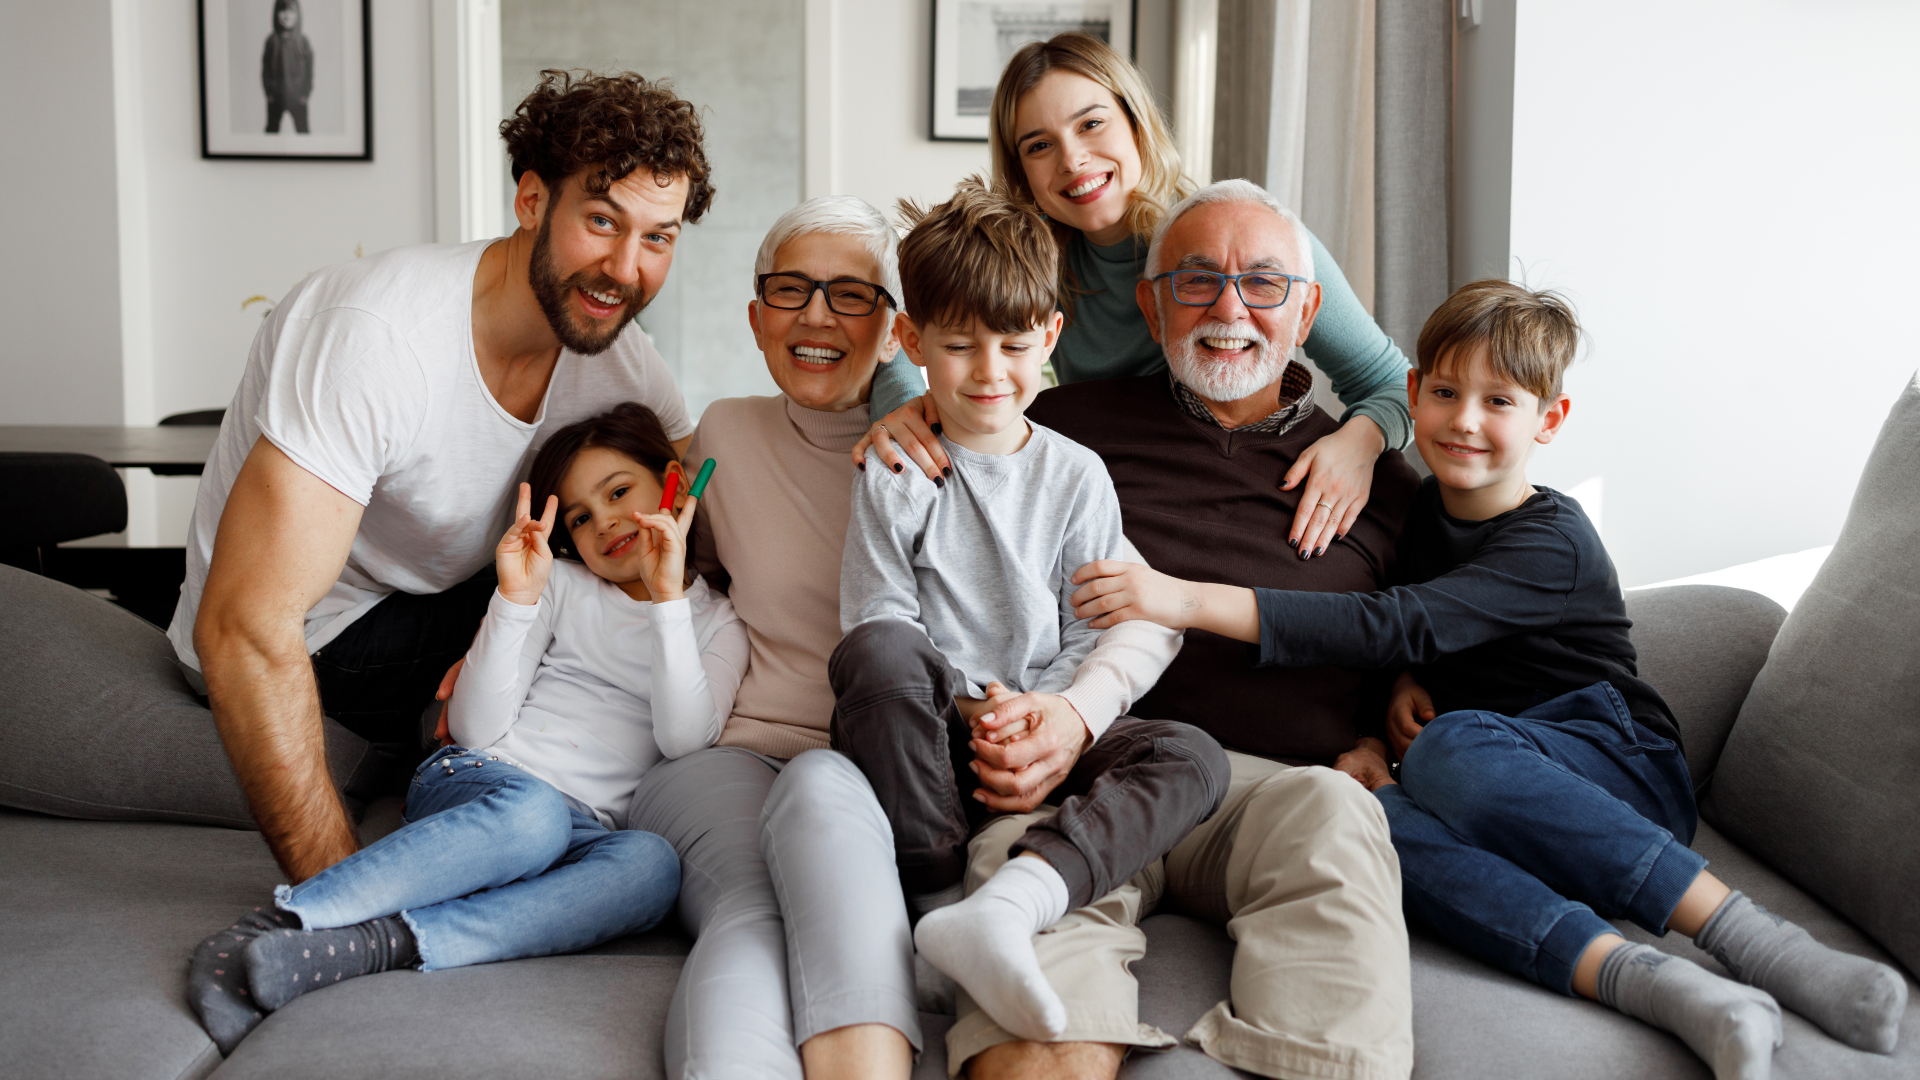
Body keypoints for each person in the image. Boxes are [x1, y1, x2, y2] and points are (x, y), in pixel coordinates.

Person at [1078, 279, 1910, 1080]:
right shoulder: (1415, 511)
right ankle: (1661, 987)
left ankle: (1764, 947)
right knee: (1368, 820)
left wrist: (1184, 599)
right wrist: (1391, 699)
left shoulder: (1553, 540)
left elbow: (1399, 621)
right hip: (1483, 796)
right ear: (1412, 393)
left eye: (1500, 402)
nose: (1465, 421)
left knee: (1449, 745)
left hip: (1616, 770)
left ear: (1551, 420)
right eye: (1444, 393)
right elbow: (1398, 624)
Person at [170, 70, 713, 885]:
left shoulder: (624, 367)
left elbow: (708, 507)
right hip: (322, 632)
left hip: (439, 607)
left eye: (658, 239)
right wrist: (342, 892)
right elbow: (245, 630)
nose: (624, 268)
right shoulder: (378, 335)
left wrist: (902, 416)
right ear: (531, 200)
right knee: (563, 594)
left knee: (640, 578)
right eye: (601, 221)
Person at [932, 179, 1421, 1080]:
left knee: (1340, 815)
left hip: (1278, 792)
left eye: (1264, 283)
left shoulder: (1382, 482)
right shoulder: (1052, 428)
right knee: (1025, 913)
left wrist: (1386, 713)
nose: (1230, 307)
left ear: (1307, 309)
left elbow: (1426, 629)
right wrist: (904, 418)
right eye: (1196, 281)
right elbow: (946, 468)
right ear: (1151, 307)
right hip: (1086, 767)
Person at [187, 402, 743, 1054]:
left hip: (586, 827)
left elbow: (683, 739)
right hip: (486, 781)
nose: (606, 522)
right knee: (533, 816)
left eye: (620, 492)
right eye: (582, 517)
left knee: (652, 867)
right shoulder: (560, 585)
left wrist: (668, 599)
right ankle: (275, 923)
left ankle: (377, 945)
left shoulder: (717, 623)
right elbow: (476, 729)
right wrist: (514, 598)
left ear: (674, 483)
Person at [828, 179, 1222, 1045]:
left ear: (1049, 336)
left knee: (1192, 755)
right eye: (960, 346)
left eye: (1013, 345)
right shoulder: (897, 468)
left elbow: (1094, 623)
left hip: (1046, 732)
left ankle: (1013, 898)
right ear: (912, 342)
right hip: (934, 742)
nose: (990, 372)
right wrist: (974, 703)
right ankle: (933, 902)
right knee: (878, 658)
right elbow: (879, 616)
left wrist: (1047, 713)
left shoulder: (1075, 474)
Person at [861, 31, 1408, 559]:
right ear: (1022, 171)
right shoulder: (1037, 262)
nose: (1072, 160)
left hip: (1239, 481)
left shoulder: (1241, 241)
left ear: (1137, 123)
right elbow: (901, 328)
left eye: (1092, 123)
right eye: (1040, 145)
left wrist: (1359, 442)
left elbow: (1393, 382)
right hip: (1119, 495)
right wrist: (906, 404)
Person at [262, 0, 314, 134]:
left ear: (297, 14)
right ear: (276, 14)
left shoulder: (303, 42)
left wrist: (305, 93)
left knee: (303, 131)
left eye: (291, 11)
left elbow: (309, 71)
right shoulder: (271, 41)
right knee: (271, 131)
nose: (287, 16)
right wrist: (269, 92)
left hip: (298, 98)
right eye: (283, 11)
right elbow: (265, 70)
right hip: (276, 97)